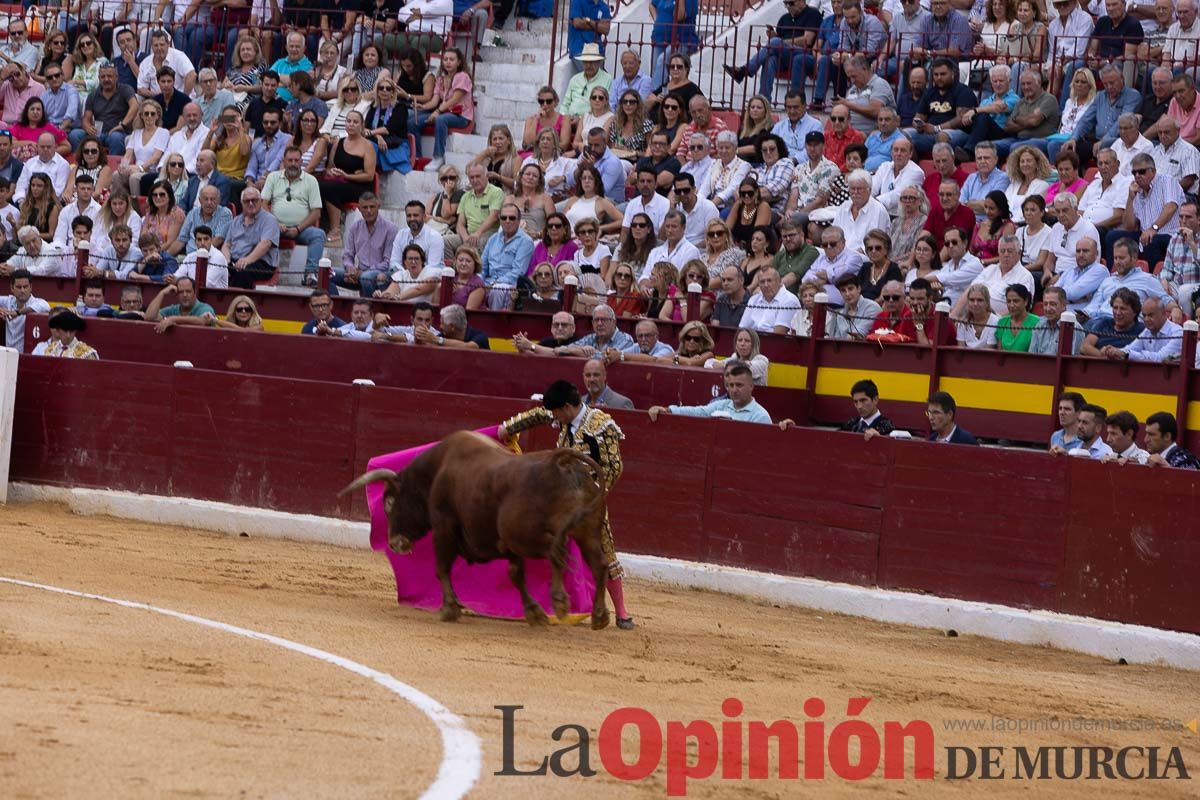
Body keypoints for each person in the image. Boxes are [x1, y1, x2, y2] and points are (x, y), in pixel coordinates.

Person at [498, 378, 635, 629]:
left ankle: (622, 612)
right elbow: (539, 414)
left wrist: (589, 497)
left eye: (556, 413)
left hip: (588, 502)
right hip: (559, 499)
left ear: (567, 408)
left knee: (603, 549)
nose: (553, 417)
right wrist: (508, 428)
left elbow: (614, 467)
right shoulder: (563, 413)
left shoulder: (600, 425)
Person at [263, 145, 325, 285]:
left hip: (301, 229)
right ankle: (264, 274)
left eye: (296, 160)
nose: (293, 164)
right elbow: (263, 204)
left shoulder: (311, 180)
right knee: (260, 232)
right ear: (284, 162)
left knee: (318, 235)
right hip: (275, 228)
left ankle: (310, 274)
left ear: (302, 162)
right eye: (290, 160)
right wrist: (276, 224)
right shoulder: (273, 177)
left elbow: (316, 212)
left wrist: (298, 228)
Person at [649, 362, 772, 424]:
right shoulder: (722, 405)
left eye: (739, 385)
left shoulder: (760, 416)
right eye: (731, 385)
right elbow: (698, 411)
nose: (734, 390)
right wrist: (667, 410)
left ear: (751, 386)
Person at [412, 48, 473, 167]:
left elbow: (454, 99)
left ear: (459, 62)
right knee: (414, 121)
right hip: (444, 112)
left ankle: (438, 157)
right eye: (445, 59)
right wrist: (422, 107)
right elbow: (435, 101)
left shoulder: (462, 76)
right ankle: (417, 156)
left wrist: (437, 112)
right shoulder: (440, 79)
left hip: (461, 116)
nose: (448, 62)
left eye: (452, 59)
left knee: (441, 119)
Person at [333, 192, 397, 297]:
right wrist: (350, 268)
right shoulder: (355, 227)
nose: (368, 211)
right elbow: (348, 255)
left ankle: (368, 310)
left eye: (372, 207)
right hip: (358, 274)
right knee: (329, 274)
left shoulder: (390, 229)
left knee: (366, 277)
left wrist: (362, 272)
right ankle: (333, 307)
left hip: (380, 274)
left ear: (378, 207)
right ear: (359, 208)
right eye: (365, 207)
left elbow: (387, 263)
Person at [786, 378, 895, 439]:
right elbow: (829, 440)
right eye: (856, 402)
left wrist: (880, 438)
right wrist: (795, 430)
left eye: (863, 400)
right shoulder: (851, 423)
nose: (859, 406)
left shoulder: (887, 425)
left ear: (875, 399)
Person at [481, 203, 535, 310]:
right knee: (469, 285)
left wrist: (494, 283)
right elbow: (482, 266)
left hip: (510, 284)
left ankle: (495, 322)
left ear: (519, 220)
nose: (507, 221)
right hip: (489, 281)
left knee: (498, 290)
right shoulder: (493, 239)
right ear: (500, 220)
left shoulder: (526, 241)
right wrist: (477, 281)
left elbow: (518, 272)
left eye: (512, 218)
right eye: (504, 218)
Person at [223, 186, 279, 288]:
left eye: (254, 200)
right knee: (217, 270)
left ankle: (235, 301)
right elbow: (227, 245)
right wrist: (226, 262)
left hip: (260, 263)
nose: (251, 204)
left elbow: (265, 244)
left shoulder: (269, 220)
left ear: (261, 201)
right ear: (242, 203)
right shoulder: (236, 221)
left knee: (243, 273)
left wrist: (247, 260)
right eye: (247, 201)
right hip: (236, 261)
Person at [1101, 297, 1183, 362]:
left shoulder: (1178, 333)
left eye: (1151, 315)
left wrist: (1125, 354)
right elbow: (1129, 349)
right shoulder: (1147, 331)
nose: (1146, 319)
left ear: (1163, 313)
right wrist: (1112, 351)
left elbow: (1161, 359)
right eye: (1144, 315)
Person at [740, 266, 801, 335]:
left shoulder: (789, 300)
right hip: (752, 342)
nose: (766, 285)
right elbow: (742, 329)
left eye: (769, 280)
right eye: (762, 282)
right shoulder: (754, 299)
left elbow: (778, 335)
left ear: (779, 282)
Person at [0, 268, 49, 351]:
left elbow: (45, 306)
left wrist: (18, 312)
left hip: (26, 357)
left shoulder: (37, 302)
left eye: (25, 287)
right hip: (9, 355)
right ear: (12, 288)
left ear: (31, 287)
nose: (22, 290)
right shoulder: (8, 301)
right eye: (19, 287)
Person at [144, 276, 216, 332]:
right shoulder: (173, 309)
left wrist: (174, 319)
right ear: (177, 294)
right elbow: (149, 317)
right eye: (181, 292)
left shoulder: (204, 307)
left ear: (194, 293)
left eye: (188, 291)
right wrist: (162, 293)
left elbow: (203, 321)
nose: (184, 295)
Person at [704, 326, 769, 385]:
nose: (742, 344)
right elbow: (709, 363)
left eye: (747, 341)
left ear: (754, 345)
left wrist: (725, 366)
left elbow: (746, 370)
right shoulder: (735, 357)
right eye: (740, 340)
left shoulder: (762, 360)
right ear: (736, 344)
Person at [827, 272, 883, 341]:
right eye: (843, 291)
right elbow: (834, 338)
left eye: (850, 289)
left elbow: (858, 334)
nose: (847, 294)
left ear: (859, 288)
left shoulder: (872, 307)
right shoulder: (840, 314)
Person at [1029, 286, 1084, 355]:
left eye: (1052, 304)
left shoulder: (1073, 327)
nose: (1048, 309)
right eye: (1045, 304)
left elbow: (1071, 361)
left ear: (1064, 305)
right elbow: (1032, 355)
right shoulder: (1040, 324)